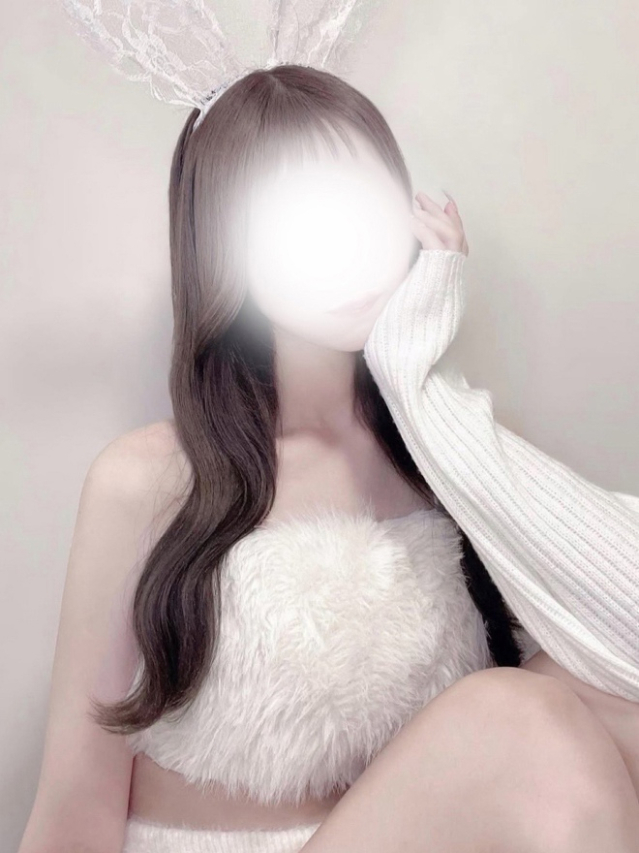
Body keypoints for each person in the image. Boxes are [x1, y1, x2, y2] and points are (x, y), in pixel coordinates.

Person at [19, 65, 639, 853]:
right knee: (516, 713)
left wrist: (418, 385)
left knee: (607, 704)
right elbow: (74, 811)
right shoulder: (148, 480)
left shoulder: (439, 450)